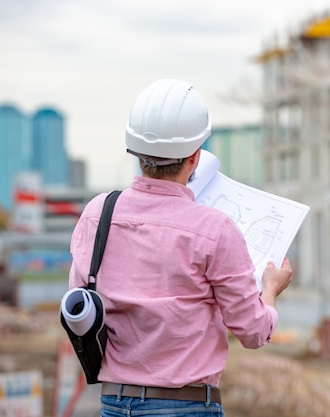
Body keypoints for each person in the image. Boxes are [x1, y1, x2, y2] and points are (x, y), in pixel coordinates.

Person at [68, 78, 293, 416]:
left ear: (136, 149)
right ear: (195, 155)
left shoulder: (97, 214)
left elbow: (82, 302)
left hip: (114, 402)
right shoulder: (214, 230)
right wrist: (270, 291)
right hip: (186, 405)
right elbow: (254, 331)